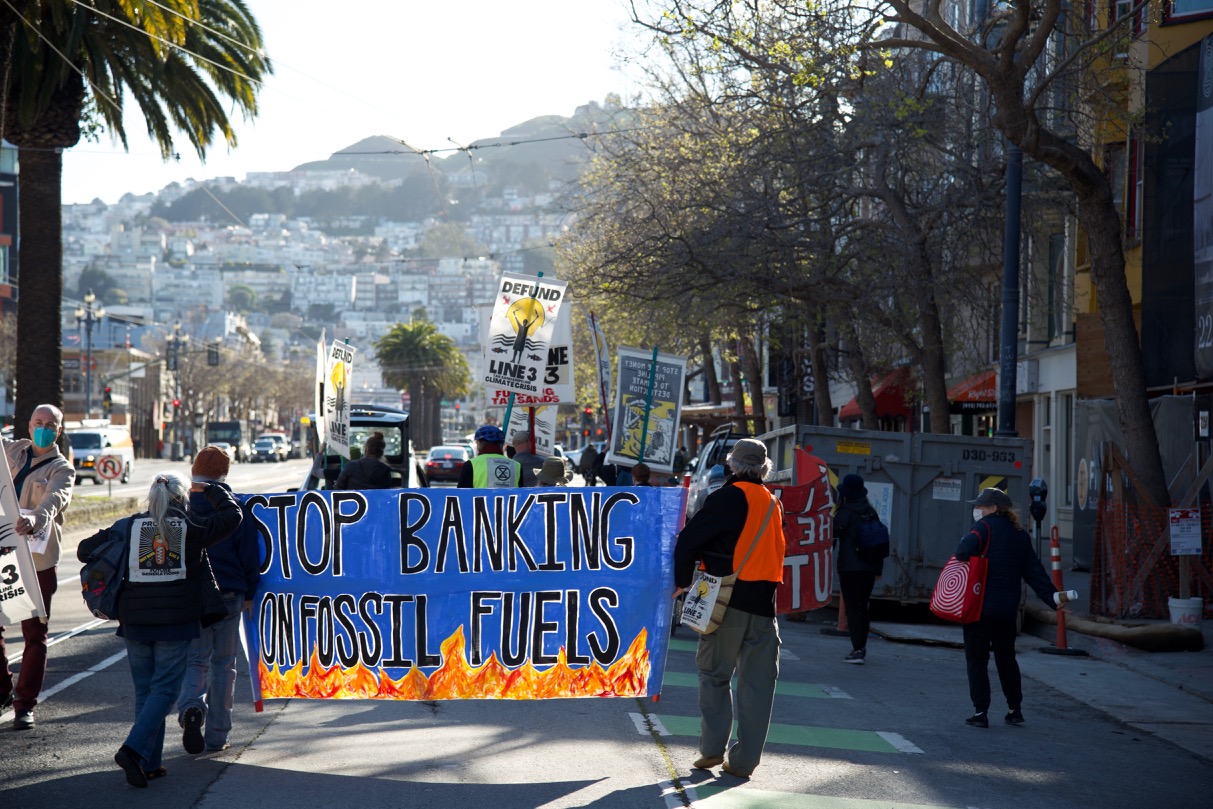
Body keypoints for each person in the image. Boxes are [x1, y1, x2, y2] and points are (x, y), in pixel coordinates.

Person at [77, 472, 242, 787]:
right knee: (165, 692)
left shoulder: (127, 527)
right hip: (174, 623)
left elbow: (85, 550)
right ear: (183, 499)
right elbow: (231, 517)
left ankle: (150, 763)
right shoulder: (189, 530)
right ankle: (132, 749)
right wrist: (214, 489)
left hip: (135, 622)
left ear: (150, 498)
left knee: (145, 693)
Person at [673, 438, 785, 779]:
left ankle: (711, 750)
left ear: (732, 465)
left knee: (714, 676)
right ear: (764, 469)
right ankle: (743, 762)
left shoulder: (724, 498)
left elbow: (689, 541)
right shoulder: (772, 503)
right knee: (758, 687)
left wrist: (681, 582)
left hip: (726, 603)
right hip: (765, 608)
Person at [957, 487, 1068, 729]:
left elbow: (962, 552)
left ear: (994, 508)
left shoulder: (983, 528)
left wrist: (968, 540)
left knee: (977, 658)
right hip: (1007, 611)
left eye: (981, 506)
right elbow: (1034, 572)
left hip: (980, 608)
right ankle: (1014, 709)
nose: (977, 510)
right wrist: (1054, 599)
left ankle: (980, 712)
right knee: (1006, 658)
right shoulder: (1020, 535)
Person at [176, 448, 261, 755]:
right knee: (224, 665)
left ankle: (191, 707)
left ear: (194, 472)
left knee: (195, 659)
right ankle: (217, 735)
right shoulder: (236, 507)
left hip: (192, 595)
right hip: (230, 593)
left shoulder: (182, 505)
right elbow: (249, 554)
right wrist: (250, 592)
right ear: (225, 475)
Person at [0, 404, 75, 729]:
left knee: (34, 632)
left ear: (59, 430)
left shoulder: (62, 468)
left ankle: (24, 705)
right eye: (38, 422)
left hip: (37, 559)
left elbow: (55, 499)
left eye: (50, 424)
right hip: (4, 553)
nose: (43, 427)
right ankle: (3, 689)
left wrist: (34, 518)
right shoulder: (12, 450)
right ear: (29, 426)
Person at [831, 474, 883, 664]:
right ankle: (862, 647)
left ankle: (857, 650)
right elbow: (879, 541)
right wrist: (877, 569)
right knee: (862, 607)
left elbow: (831, 537)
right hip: (869, 568)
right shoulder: (870, 511)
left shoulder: (844, 512)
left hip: (849, 569)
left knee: (852, 609)